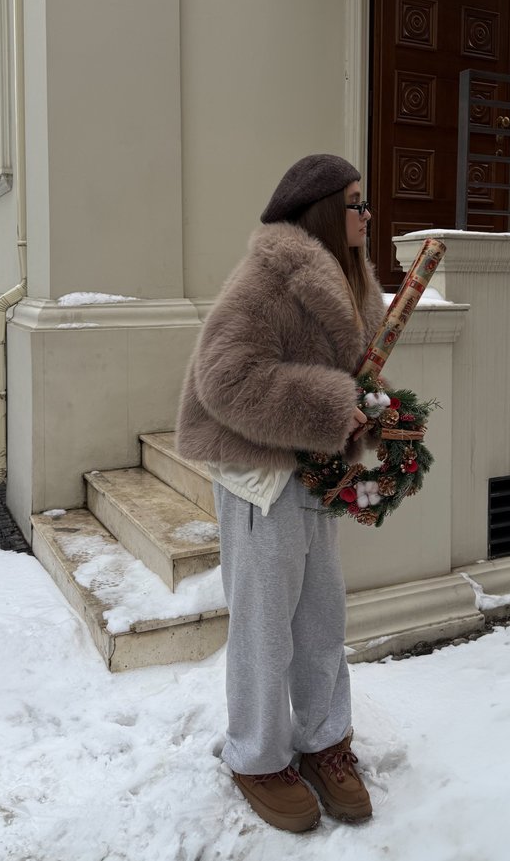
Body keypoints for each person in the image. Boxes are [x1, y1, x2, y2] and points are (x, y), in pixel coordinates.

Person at [176, 154, 386, 832]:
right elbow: (224, 377)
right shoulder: (267, 277)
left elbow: (348, 373)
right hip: (258, 474)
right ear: (325, 209)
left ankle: (325, 739)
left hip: (313, 470)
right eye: (356, 203)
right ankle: (258, 755)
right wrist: (330, 407)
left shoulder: (351, 280)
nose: (367, 215)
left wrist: (371, 410)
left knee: (322, 614)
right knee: (265, 625)